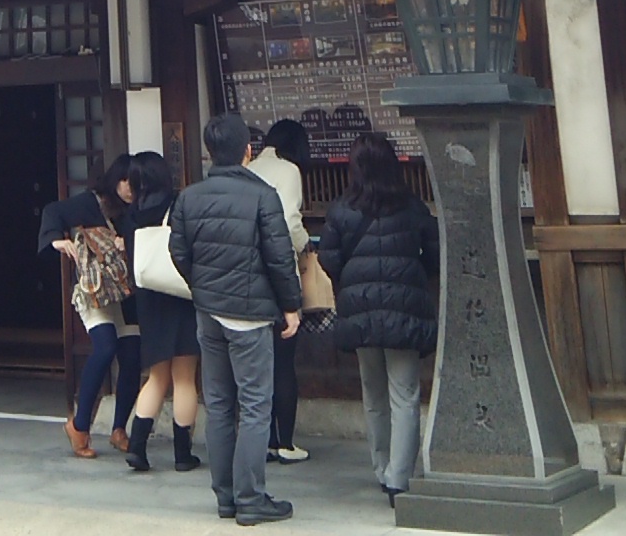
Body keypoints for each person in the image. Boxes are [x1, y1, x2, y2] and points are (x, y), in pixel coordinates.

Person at [171, 113, 303, 527]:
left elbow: (178, 252)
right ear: (247, 150)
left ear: (210, 151)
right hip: (249, 315)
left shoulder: (189, 197)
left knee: (219, 404)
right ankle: (250, 498)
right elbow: (280, 258)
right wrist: (291, 306)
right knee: (255, 405)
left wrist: (202, 287)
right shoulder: (263, 196)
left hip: (207, 313)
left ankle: (226, 496)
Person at [320, 131, 438, 504]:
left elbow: (328, 258)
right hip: (404, 310)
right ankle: (399, 478)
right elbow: (435, 256)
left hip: (361, 310)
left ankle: (381, 467)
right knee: (405, 394)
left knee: (373, 393)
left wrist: (351, 281)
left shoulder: (341, 210)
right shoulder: (413, 207)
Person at [39, 154, 143, 456]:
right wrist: (57, 240)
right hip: (96, 290)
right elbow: (53, 211)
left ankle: (119, 429)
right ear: (117, 180)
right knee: (105, 347)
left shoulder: (136, 208)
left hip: (125, 290)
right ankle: (79, 426)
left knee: (132, 356)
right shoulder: (90, 202)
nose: (131, 191)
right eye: (128, 184)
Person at [116, 149, 201, 474]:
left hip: (149, 300)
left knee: (156, 376)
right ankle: (182, 454)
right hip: (180, 296)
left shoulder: (131, 216)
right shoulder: (178, 205)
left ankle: (138, 448)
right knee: (184, 378)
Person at [249, 119, 312, 465]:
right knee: (284, 362)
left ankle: (265, 440)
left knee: (258, 365)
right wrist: (306, 246)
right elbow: (288, 221)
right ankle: (285, 443)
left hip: (248, 278)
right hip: (279, 275)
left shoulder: (250, 168)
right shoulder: (289, 171)